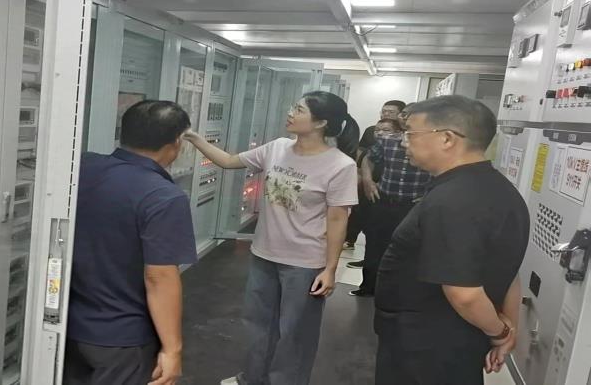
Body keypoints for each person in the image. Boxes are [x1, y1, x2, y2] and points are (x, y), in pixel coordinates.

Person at [184, 91, 359, 385]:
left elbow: (337, 219)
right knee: (258, 325)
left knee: (295, 332)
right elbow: (228, 161)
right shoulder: (277, 148)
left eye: (299, 109)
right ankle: (252, 378)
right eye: (293, 106)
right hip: (264, 254)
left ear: (320, 123)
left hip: (305, 263)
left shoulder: (341, 165)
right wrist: (193, 137)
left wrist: (330, 269)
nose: (290, 112)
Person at [373, 95, 529, 385]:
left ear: (447, 138)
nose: (404, 142)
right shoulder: (497, 189)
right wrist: (508, 325)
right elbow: (508, 268)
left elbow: (464, 294)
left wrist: (501, 333)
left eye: (411, 134)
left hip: (428, 348)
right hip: (450, 342)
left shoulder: (454, 200)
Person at [65, 100, 198, 385]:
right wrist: (172, 349)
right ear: (176, 144)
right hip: (122, 340)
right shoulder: (164, 197)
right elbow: (159, 277)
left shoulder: (83, 167)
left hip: (68, 325)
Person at [349, 108, 431, 297]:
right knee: (374, 245)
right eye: (404, 114)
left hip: (413, 205)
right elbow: (368, 159)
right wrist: (368, 181)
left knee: (408, 249)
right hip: (384, 200)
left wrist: (429, 194)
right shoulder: (388, 141)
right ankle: (368, 288)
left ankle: (398, 292)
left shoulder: (429, 145)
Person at [344, 100, 406, 251]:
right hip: (370, 182)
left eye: (391, 112)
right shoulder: (373, 133)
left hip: (393, 191)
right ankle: (353, 242)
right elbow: (364, 154)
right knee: (364, 217)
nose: (386, 114)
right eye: (384, 111)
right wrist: (365, 178)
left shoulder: (403, 139)